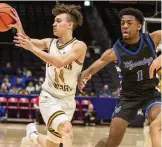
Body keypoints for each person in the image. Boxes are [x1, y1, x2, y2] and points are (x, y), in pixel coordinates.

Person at [78, 8, 161, 147]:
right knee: (111, 143)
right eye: (122, 23)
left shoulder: (153, 38)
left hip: (150, 93)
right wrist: (84, 75)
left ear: (139, 26)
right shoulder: (116, 51)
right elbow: (94, 67)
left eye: (129, 22)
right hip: (128, 97)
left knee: (158, 123)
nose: (125, 26)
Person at [9, 2, 87, 147]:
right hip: (49, 97)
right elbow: (26, 41)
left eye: (58, 21)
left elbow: (60, 62)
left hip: (68, 101)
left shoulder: (79, 46)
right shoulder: (49, 43)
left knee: (53, 145)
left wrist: (32, 48)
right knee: (67, 130)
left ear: (70, 24)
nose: (54, 24)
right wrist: (18, 27)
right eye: (54, 21)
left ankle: (32, 135)